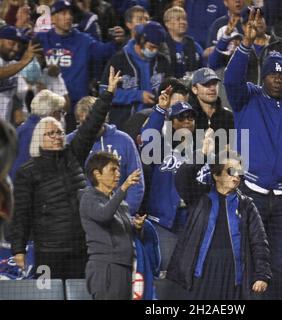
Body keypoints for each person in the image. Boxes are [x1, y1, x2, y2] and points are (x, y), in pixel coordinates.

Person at [224, 9, 282, 299]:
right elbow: (231, 81)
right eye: (272, 73)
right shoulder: (247, 97)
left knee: (279, 264)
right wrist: (245, 46)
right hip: (252, 192)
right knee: (252, 261)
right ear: (264, 77)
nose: (277, 78)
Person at [8, 66, 121, 280]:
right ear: (39, 139)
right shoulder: (28, 172)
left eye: (59, 132)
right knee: (48, 295)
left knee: (82, 293)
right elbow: (21, 213)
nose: (57, 136)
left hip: (81, 245)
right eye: (51, 133)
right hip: (49, 251)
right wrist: (18, 249)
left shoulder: (73, 155)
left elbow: (89, 127)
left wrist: (108, 94)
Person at [166, 148, 271, 300]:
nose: (236, 176)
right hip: (201, 271)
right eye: (231, 171)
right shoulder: (200, 196)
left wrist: (262, 274)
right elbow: (182, 178)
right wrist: (202, 154)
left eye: (239, 172)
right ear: (216, 175)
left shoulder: (246, 205)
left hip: (233, 274)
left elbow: (259, 242)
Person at [80, 151, 160, 300]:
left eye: (118, 169)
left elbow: (127, 234)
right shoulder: (88, 197)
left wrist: (137, 226)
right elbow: (103, 215)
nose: (118, 174)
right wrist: (124, 188)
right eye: (113, 169)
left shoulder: (120, 203)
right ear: (97, 174)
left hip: (125, 266)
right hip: (106, 268)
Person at [35, 0, 125, 132]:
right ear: (52, 18)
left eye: (70, 13)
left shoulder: (84, 40)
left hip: (75, 107)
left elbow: (105, 52)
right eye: (63, 13)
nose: (69, 17)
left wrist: (117, 41)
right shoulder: (41, 39)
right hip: (47, 106)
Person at [140, 89, 197, 271]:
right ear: (172, 123)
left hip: (189, 220)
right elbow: (148, 138)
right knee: (163, 271)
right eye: (181, 118)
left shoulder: (201, 150)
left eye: (190, 118)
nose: (187, 122)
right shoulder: (159, 148)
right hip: (162, 221)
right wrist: (159, 110)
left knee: (188, 273)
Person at [67, 95, 145, 215]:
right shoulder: (70, 142)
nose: (89, 127)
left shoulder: (124, 140)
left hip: (121, 215)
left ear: (103, 118)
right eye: (83, 123)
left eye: (93, 122)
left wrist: (126, 214)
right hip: (86, 217)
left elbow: (137, 182)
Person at [100, 21, 172, 130]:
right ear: (141, 40)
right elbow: (104, 92)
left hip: (155, 125)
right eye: (151, 47)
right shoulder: (118, 60)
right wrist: (137, 96)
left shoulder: (162, 61)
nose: (154, 51)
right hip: (123, 125)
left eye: (157, 47)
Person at [9, 89, 66, 181]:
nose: (61, 117)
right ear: (53, 114)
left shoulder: (29, 127)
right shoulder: (31, 132)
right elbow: (20, 169)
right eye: (61, 112)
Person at [0, 23, 41, 120]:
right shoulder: (18, 65)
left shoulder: (14, 65)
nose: (16, 49)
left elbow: (18, 95)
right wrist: (23, 62)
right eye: (12, 43)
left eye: (19, 45)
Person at [189, 67, 234, 152]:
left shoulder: (229, 117)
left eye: (214, 84)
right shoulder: (188, 117)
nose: (212, 88)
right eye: (206, 84)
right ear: (195, 89)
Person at [163, 6, 203, 79]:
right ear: (167, 23)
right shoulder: (162, 46)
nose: (183, 22)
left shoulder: (194, 45)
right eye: (178, 19)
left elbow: (204, 69)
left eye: (184, 19)